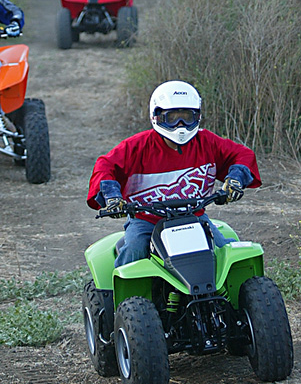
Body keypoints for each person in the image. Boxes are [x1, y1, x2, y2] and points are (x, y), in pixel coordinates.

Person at [87, 80, 261, 267]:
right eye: (172, 118)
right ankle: (121, 296)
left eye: (186, 117)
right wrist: (112, 197)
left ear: (197, 116)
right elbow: (105, 166)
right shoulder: (137, 146)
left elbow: (242, 155)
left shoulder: (207, 142)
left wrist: (235, 178)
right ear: (157, 116)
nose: (181, 126)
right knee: (134, 252)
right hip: (147, 221)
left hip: (195, 216)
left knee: (225, 252)